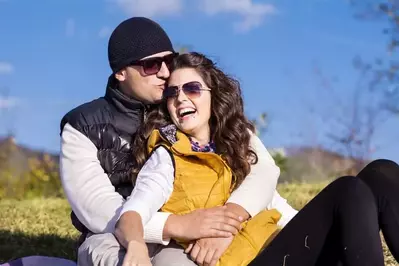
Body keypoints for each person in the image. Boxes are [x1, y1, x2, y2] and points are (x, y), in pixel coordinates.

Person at [115, 52, 399, 266]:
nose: (180, 98)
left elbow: (269, 186)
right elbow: (132, 215)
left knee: (380, 172)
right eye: (172, 93)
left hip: (283, 245)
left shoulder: (238, 141)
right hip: (247, 260)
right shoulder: (167, 157)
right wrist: (138, 243)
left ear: (214, 96)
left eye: (192, 89)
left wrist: (232, 222)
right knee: (347, 190)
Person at [59, 17, 296, 266]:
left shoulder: (184, 106)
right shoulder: (82, 125)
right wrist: (178, 225)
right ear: (121, 72)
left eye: (169, 61)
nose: (164, 72)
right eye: (151, 65)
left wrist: (227, 221)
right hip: (116, 237)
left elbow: (263, 169)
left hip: (199, 231)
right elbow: (98, 211)